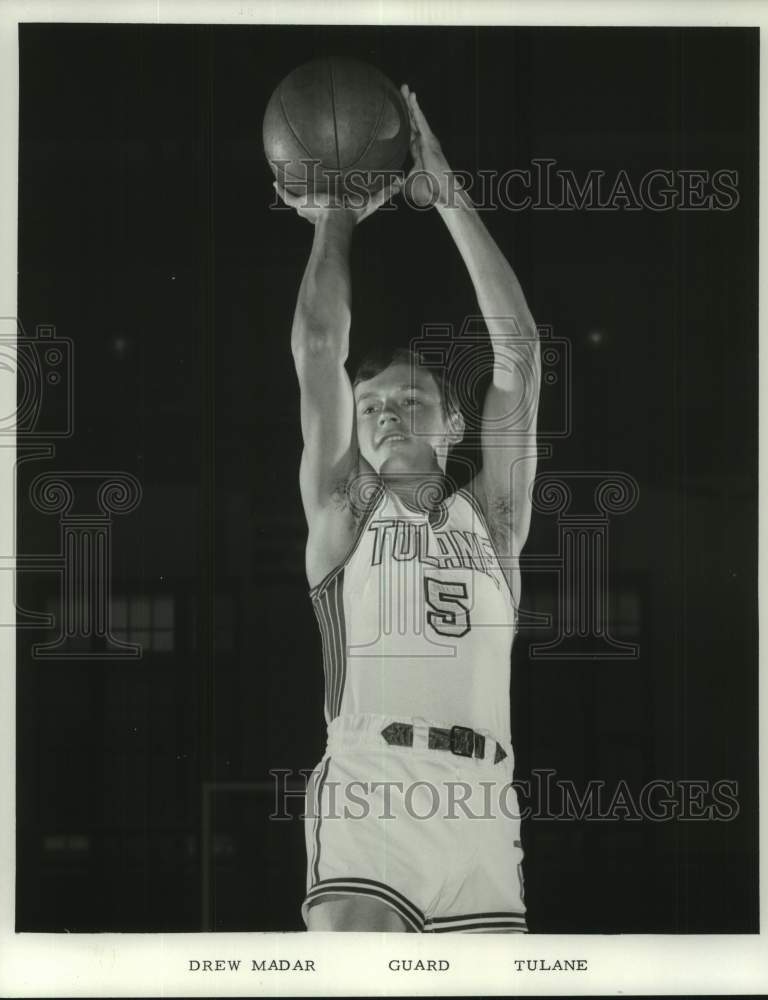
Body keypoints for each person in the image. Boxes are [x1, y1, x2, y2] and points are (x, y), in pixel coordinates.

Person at [275, 85, 540, 933]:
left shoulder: (492, 522)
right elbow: (320, 347)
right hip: (370, 797)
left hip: (483, 809)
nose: (385, 412)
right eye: (373, 405)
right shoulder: (343, 512)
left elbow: (520, 356)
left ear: (452, 422)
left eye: (409, 399)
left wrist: (449, 199)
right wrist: (336, 217)